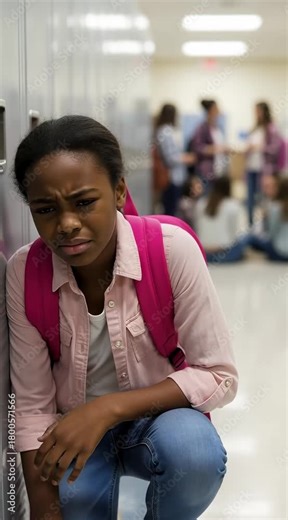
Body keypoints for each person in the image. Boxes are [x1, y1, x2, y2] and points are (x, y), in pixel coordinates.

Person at [6, 115, 238, 520]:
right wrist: (45, 510)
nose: (67, 225)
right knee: (73, 501)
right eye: (46, 209)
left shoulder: (170, 251)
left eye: (84, 202)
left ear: (117, 192)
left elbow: (219, 376)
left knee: (194, 455)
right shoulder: (25, 272)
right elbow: (31, 407)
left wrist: (108, 408)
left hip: (159, 423)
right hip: (74, 430)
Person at [245, 101, 283, 226]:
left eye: (258, 111)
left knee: (263, 199)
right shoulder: (254, 129)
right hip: (251, 168)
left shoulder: (272, 128)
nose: (256, 114)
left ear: (264, 111)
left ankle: (264, 226)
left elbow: (275, 148)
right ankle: (251, 225)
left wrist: (261, 147)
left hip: (265, 170)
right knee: (250, 199)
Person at [195, 176, 248, 263]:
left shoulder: (201, 203)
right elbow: (239, 232)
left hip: (204, 253)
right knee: (248, 238)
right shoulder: (234, 205)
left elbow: (197, 227)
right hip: (224, 254)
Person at [155, 104, 196, 215]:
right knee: (170, 210)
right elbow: (170, 158)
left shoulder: (168, 130)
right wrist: (186, 158)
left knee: (173, 209)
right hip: (171, 178)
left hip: (175, 177)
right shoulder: (165, 131)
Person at [188, 100, 229, 193]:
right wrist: (215, 149)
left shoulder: (218, 128)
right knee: (205, 198)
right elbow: (197, 148)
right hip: (206, 171)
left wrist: (225, 149)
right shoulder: (201, 128)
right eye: (216, 109)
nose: (219, 111)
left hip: (219, 170)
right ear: (210, 111)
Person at [250, 176, 288, 261]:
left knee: (250, 238)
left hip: (279, 253)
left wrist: (266, 220)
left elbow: (272, 234)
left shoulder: (275, 207)